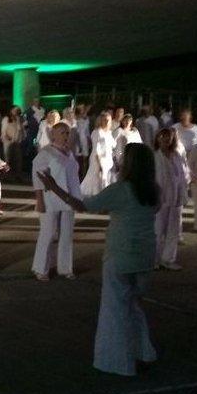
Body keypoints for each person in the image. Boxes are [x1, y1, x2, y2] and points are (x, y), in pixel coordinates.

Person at [37, 143, 159, 376]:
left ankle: (118, 362)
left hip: (121, 254)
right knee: (134, 305)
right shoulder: (153, 190)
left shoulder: (121, 189)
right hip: (145, 255)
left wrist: (53, 187)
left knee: (115, 309)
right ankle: (143, 351)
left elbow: (83, 205)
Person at [31, 123, 81, 281]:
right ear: (53, 135)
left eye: (67, 132)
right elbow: (37, 177)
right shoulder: (46, 153)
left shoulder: (69, 152)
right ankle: (41, 268)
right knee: (48, 233)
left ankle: (65, 268)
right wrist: (39, 200)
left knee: (67, 234)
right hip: (50, 198)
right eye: (62, 132)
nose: (66, 135)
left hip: (69, 198)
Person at [154, 127, 187, 271]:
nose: (166, 140)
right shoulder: (154, 156)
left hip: (176, 198)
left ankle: (168, 259)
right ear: (158, 139)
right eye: (163, 137)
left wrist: (183, 195)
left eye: (169, 137)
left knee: (173, 230)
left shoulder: (177, 156)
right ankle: (154, 260)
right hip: (160, 199)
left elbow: (182, 177)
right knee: (157, 230)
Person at [81, 112, 115, 196]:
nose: (106, 122)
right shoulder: (97, 132)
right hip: (98, 159)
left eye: (108, 120)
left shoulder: (109, 133)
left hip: (108, 159)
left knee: (106, 179)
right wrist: (100, 165)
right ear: (100, 121)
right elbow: (97, 150)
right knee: (97, 179)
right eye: (104, 120)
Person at [0, 106, 25, 177]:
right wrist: (7, 138)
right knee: (7, 158)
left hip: (16, 141)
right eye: (14, 110)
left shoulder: (18, 119)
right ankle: (6, 174)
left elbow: (20, 129)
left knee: (17, 158)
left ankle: (16, 175)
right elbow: (3, 131)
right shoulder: (6, 119)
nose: (16, 112)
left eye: (17, 110)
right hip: (8, 141)